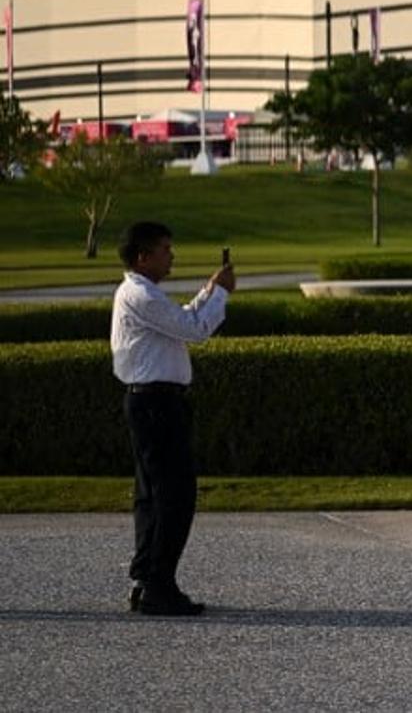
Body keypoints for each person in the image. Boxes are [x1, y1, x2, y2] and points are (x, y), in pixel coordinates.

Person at [109, 222, 235, 617]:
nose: (171, 255)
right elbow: (195, 331)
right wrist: (221, 296)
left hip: (156, 403)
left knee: (153, 496)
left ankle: (147, 579)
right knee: (173, 496)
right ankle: (158, 585)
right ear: (143, 256)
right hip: (155, 405)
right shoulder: (140, 295)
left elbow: (179, 320)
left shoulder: (144, 294)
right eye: (165, 249)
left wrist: (210, 293)